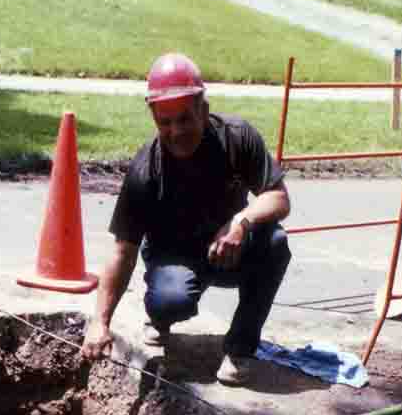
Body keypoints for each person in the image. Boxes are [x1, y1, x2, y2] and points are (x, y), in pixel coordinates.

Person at [82, 52, 292, 386]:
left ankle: (240, 348)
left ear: (204, 111)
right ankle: (159, 318)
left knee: (276, 243)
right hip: (174, 258)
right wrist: (100, 323)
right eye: (165, 123)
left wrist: (241, 221)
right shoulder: (146, 170)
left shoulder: (237, 138)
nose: (176, 131)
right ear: (154, 119)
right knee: (171, 301)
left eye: (184, 119)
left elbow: (279, 198)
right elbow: (123, 252)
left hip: (229, 250)